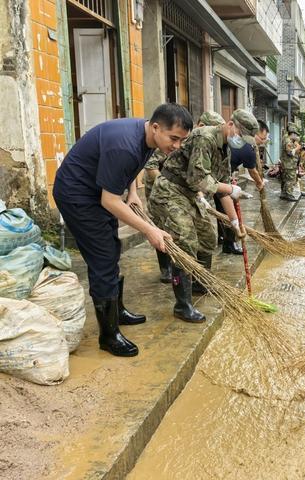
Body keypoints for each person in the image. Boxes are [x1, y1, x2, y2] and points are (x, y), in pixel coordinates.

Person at [53, 103, 191, 357]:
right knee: (103, 257)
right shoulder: (125, 145)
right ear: (156, 127)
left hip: (98, 189)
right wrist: (150, 230)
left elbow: (131, 168)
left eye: (182, 141)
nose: (177, 146)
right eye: (174, 139)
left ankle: (118, 311)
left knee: (112, 247)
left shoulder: (149, 138)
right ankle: (109, 336)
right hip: (77, 194)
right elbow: (110, 201)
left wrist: (134, 192)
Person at [149, 110, 256, 324]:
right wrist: (229, 188)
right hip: (170, 190)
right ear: (230, 124)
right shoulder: (204, 137)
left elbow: (224, 188)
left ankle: (198, 283)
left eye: (244, 138)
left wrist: (234, 222)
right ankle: (183, 305)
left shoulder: (225, 149)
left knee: (208, 238)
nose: (240, 139)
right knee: (185, 241)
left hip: (191, 194)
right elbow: (199, 179)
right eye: (240, 133)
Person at [143, 111, 225, 282]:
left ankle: (199, 281)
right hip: (163, 188)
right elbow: (151, 166)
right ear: (202, 125)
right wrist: (167, 186)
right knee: (170, 231)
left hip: (187, 192)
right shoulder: (174, 139)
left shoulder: (197, 143)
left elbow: (198, 176)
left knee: (206, 235)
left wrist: (200, 195)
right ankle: (168, 271)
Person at [230, 119, 270, 191]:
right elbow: (252, 171)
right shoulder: (248, 148)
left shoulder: (241, 139)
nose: (263, 142)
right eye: (262, 139)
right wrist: (259, 183)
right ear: (254, 134)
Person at [280, 126, 301, 201]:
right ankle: (289, 194)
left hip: (287, 164)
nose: (296, 136)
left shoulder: (287, 139)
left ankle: (284, 193)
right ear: (292, 134)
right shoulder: (288, 141)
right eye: (296, 135)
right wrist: (297, 148)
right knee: (290, 179)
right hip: (289, 164)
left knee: (285, 179)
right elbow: (290, 152)